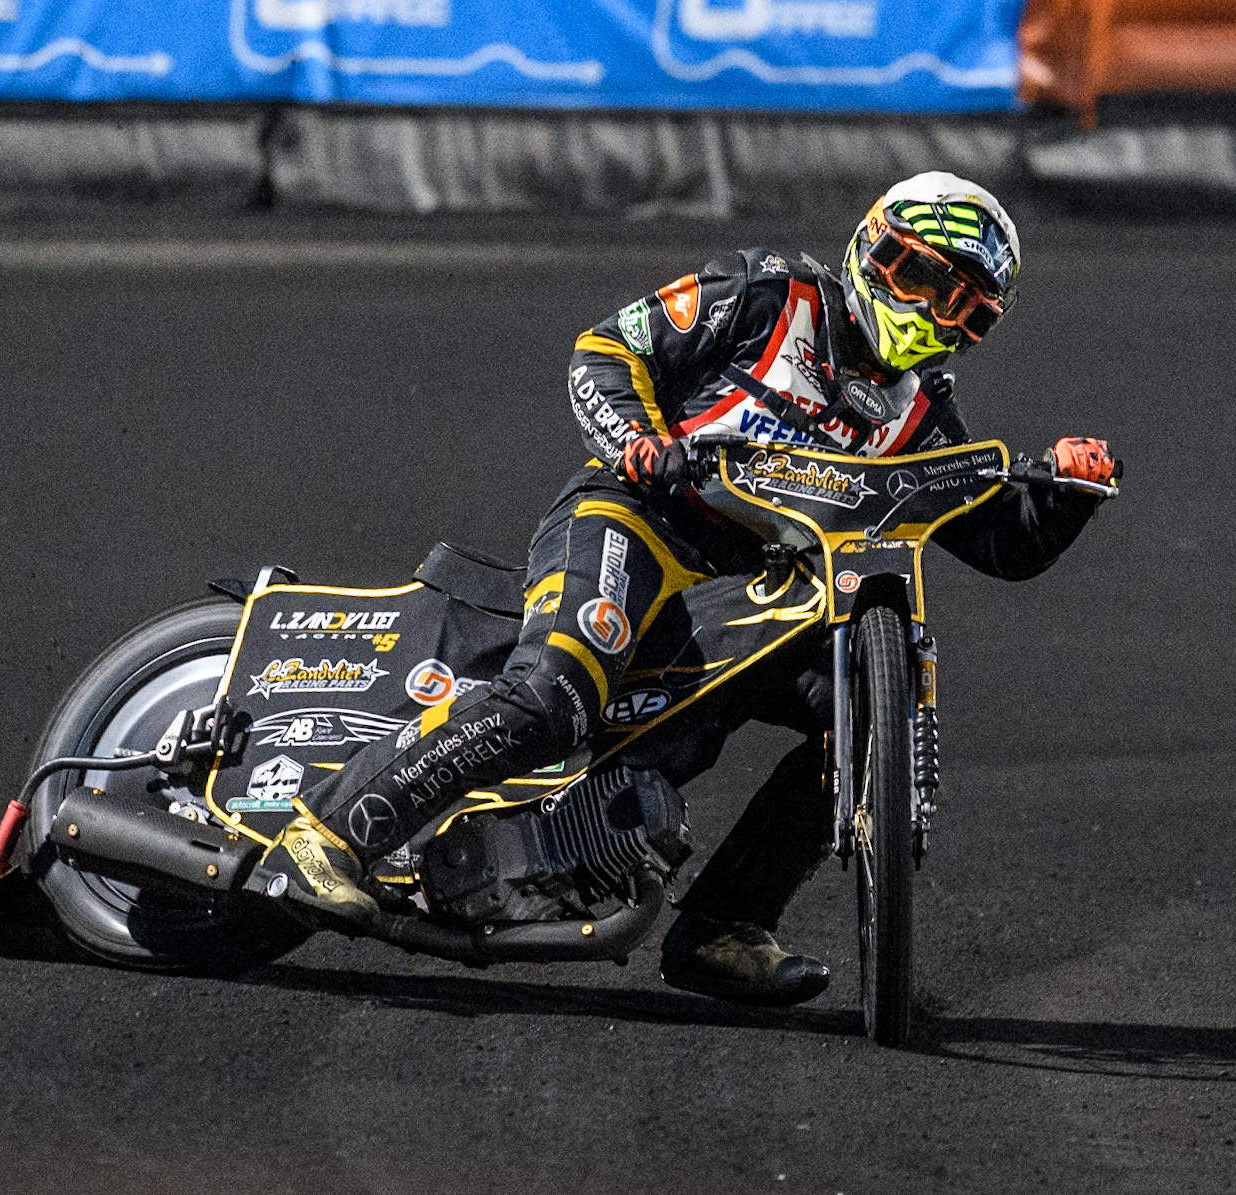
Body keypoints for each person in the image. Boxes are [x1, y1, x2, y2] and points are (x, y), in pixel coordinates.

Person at [258, 171, 1116, 1005]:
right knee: (553, 694)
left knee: (859, 712)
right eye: (920, 275)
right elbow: (605, 348)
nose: (930, 308)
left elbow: (1000, 545)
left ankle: (722, 928)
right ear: (871, 248)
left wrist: (1068, 496)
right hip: (632, 519)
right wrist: (636, 440)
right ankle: (325, 832)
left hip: (745, 588)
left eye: (959, 303)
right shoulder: (767, 294)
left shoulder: (921, 415)